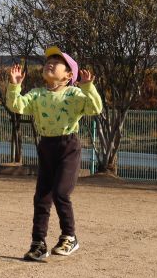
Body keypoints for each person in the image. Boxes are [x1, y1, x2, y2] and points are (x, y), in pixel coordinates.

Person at [5, 46, 102, 262]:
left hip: (68, 146)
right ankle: (38, 244)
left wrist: (88, 87)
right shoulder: (37, 94)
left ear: (69, 75)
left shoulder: (74, 93)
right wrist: (14, 86)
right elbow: (17, 106)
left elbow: (95, 108)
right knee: (42, 197)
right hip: (46, 147)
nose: (50, 63)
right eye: (48, 61)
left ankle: (69, 236)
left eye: (57, 62)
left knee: (60, 193)